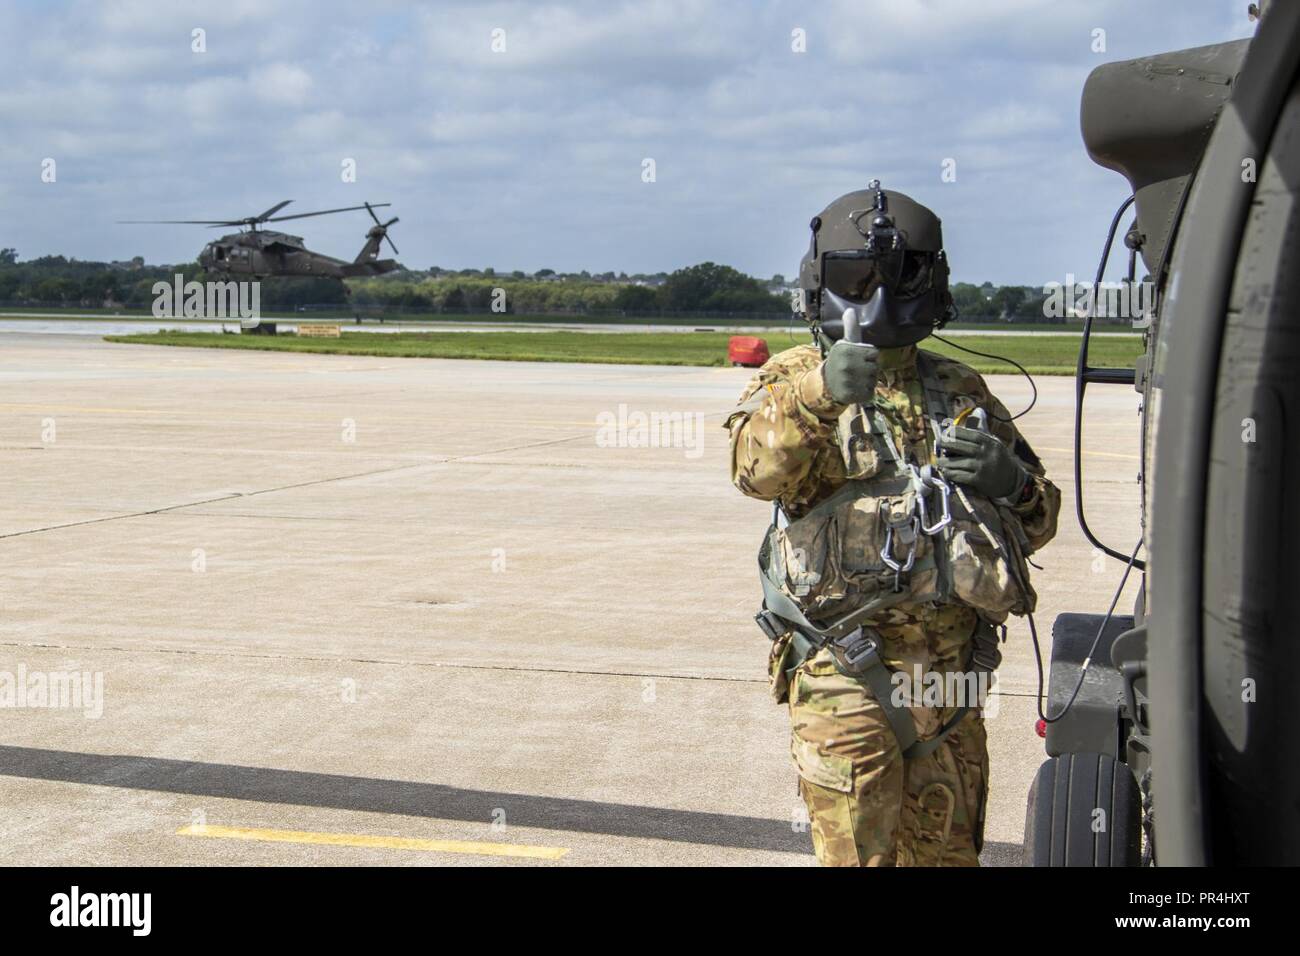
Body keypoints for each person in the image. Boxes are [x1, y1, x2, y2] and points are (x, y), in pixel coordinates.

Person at [726, 182, 1060, 866]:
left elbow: (1041, 518)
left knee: (948, 860)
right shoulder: (793, 377)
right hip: (845, 672)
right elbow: (751, 469)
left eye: (901, 275)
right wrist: (819, 397)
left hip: (951, 679)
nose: (878, 294)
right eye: (858, 277)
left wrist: (1011, 480)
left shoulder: (960, 389)